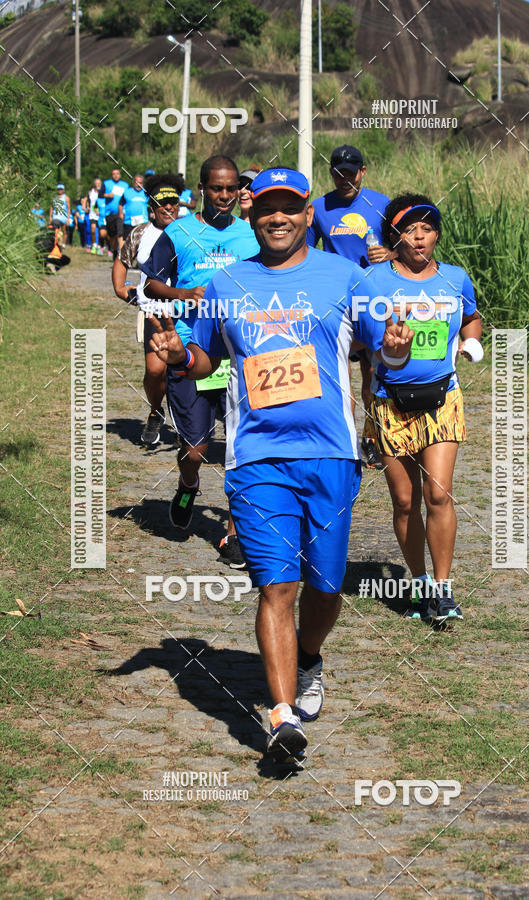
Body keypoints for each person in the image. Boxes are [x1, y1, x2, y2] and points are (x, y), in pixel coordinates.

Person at [147, 168, 414, 761]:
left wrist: (394, 349)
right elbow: (202, 356)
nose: (277, 218)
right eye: (266, 207)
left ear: (306, 212)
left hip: (331, 456)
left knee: (323, 587)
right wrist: (177, 353)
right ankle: (281, 716)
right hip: (256, 459)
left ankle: (310, 656)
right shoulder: (228, 284)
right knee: (278, 586)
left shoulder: (346, 277)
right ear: (252, 212)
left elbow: (383, 349)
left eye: (289, 208)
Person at [367, 194, 482, 624]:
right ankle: (417, 585)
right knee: (404, 500)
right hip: (390, 402)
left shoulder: (455, 278)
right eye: (409, 229)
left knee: (438, 493)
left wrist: (471, 342)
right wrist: (385, 348)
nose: (420, 237)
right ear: (393, 235)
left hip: (442, 398)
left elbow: (471, 316)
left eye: (428, 228)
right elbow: (357, 340)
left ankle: (443, 589)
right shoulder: (372, 281)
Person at [141, 155, 260, 567]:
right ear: (202, 189)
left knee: (240, 450)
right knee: (195, 450)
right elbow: (152, 282)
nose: (225, 196)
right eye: (216, 189)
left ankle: (233, 534)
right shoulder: (179, 232)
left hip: (242, 354)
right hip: (191, 350)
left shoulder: (251, 235)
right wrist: (184, 295)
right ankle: (187, 484)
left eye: (231, 189)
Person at [308, 145, 391, 468]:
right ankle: (341, 437)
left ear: (363, 171)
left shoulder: (381, 204)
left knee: (372, 373)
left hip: (373, 299)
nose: (345, 179)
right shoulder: (318, 208)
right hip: (335, 301)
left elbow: (404, 248)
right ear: (331, 173)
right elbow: (305, 252)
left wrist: (390, 255)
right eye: (339, 173)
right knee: (337, 375)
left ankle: (371, 438)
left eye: (351, 172)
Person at [112, 174, 183, 445]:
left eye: (173, 203)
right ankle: (155, 412)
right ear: (151, 207)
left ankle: (184, 423)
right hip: (153, 312)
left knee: (182, 369)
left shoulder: (188, 231)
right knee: (155, 371)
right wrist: (121, 289)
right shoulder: (140, 233)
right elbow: (122, 261)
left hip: (184, 311)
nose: (169, 208)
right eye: (162, 203)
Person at [103, 168, 129, 256]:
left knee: (120, 232)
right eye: (114, 174)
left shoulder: (125, 185)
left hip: (121, 213)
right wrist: (107, 195)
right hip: (109, 214)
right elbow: (99, 194)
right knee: (111, 235)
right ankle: (114, 250)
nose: (116, 175)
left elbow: (128, 198)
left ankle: (120, 253)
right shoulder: (106, 183)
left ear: (120, 175)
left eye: (117, 174)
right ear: (111, 175)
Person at [119, 174, 149, 239]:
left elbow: (151, 205)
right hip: (129, 221)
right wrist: (120, 213)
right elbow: (120, 203)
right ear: (134, 182)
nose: (139, 185)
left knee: (142, 240)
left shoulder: (146, 193)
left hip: (143, 221)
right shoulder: (127, 192)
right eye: (137, 183)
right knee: (128, 241)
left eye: (140, 183)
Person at [88, 177, 104, 253]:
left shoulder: (103, 193)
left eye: (99, 183)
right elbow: (88, 201)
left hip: (101, 215)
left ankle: (100, 246)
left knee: (102, 233)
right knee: (93, 229)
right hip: (92, 214)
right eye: (96, 183)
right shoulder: (91, 191)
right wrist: (86, 207)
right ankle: (94, 244)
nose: (98, 185)